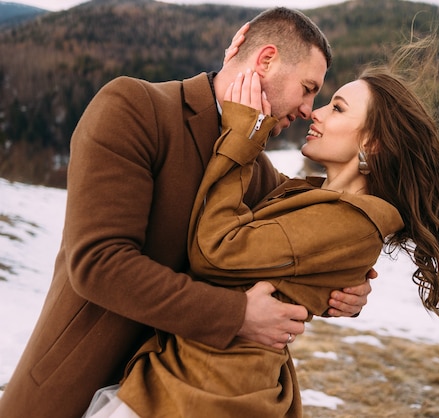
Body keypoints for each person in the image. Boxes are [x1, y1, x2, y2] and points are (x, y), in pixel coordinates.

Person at [81, 31, 439, 418]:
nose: (316, 112)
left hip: (207, 391)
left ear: (372, 141)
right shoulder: (316, 197)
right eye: (315, 94)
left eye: (336, 106)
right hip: (197, 381)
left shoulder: (347, 220)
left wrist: (240, 137)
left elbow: (215, 250)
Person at [0, 8, 375, 418]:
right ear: (266, 59)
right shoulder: (133, 107)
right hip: (76, 386)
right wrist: (236, 315)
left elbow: (313, 229)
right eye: (307, 88)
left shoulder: (253, 168)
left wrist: (345, 289)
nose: (308, 109)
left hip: (176, 396)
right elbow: (98, 264)